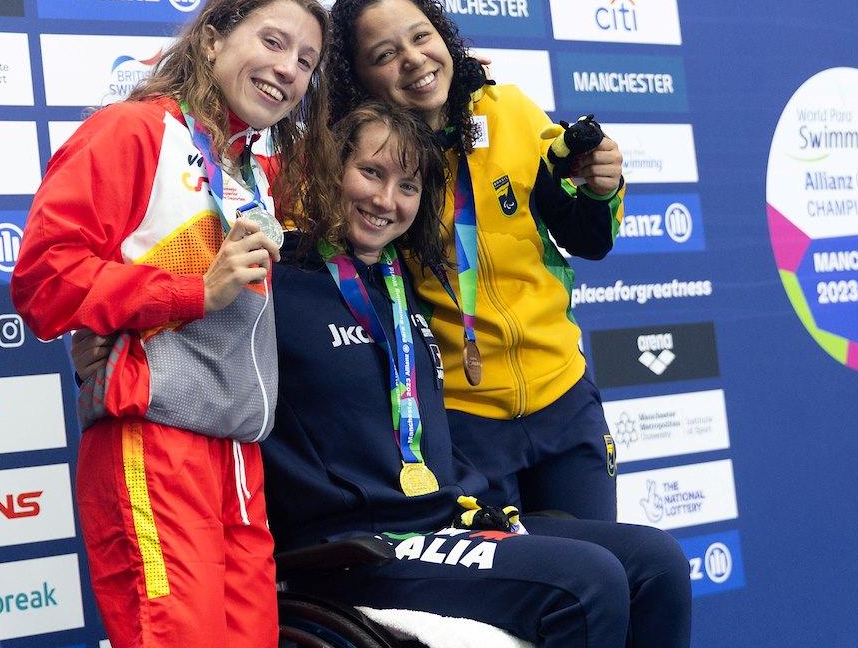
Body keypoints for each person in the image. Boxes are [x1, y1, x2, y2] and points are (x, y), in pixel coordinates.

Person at [264, 101, 691, 648]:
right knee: (588, 583)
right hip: (361, 544)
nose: (385, 200)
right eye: (370, 173)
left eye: (408, 186)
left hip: (442, 521)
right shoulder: (275, 284)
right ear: (327, 169)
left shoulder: (401, 288)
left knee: (657, 561)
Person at [11, 0, 328, 648]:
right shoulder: (133, 131)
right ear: (211, 38)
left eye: (306, 60)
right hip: (152, 441)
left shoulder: (251, 172)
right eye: (271, 41)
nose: (287, 69)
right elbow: (44, 283)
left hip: (238, 457)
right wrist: (191, 292)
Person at [325, 0, 626, 521]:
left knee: (606, 578)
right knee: (511, 598)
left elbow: (586, 237)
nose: (414, 61)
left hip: (563, 395)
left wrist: (602, 189)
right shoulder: (364, 164)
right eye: (385, 55)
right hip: (461, 420)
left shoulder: (508, 109)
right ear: (359, 79)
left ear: (443, 34)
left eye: (421, 37)